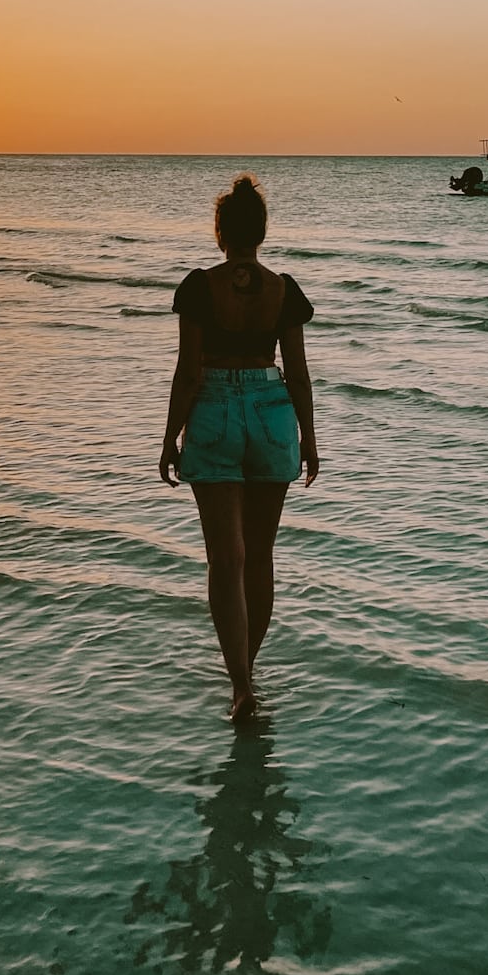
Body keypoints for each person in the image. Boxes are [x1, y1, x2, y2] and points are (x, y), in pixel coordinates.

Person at [160, 175, 319, 721]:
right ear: (263, 232)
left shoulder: (201, 287)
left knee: (226, 560)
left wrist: (168, 439)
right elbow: (298, 376)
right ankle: (246, 674)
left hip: (214, 413)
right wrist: (310, 441)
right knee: (260, 558)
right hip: (273, 412)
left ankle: (240, 686)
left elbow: (187, 372)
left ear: (220, 232)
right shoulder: (285, 290)